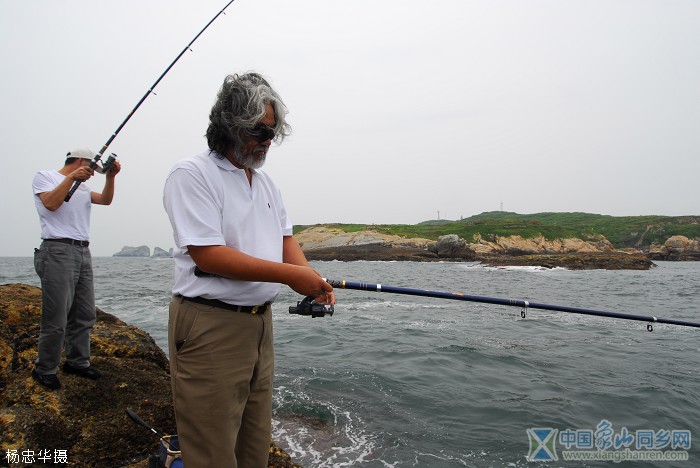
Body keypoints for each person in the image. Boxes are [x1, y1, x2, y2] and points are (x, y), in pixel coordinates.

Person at [163, 72, 335, 468]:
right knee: (212, 450)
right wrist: (290, 276)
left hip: (260, 325)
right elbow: (209, 255)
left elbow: (285, 240)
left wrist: (313, 280)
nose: (268, 141)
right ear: (230, 124)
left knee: (254, 444)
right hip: (209, 326)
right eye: (260, 131)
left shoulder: (266, 183)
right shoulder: (191, 174)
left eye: (273, 132)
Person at [31, 149, 121, 390]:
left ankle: (78, 362)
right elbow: (50, 204)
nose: (93, 172)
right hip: (57, 249)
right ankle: (44, 369)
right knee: (56, 317)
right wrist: (71, 178)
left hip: (82, 251)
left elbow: (105, 200)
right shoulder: (45, 177)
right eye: (92, 166)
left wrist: (110, 177)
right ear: (80, 161)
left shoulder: (83, 188)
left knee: (84, 313)